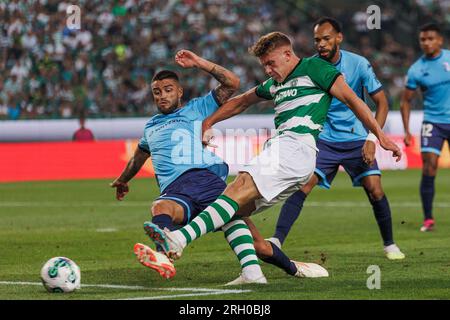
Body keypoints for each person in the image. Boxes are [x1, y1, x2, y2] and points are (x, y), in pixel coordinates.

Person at [142, 32, 402, 268]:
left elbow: (353, 99)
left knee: (236, 187)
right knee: (235, 211)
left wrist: (379, 136)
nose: (267, 70)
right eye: (264, 65)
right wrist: (209, 122)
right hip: (293, 158)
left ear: (288, 54)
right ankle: (274, 271)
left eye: (271, 63)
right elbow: (243, 100)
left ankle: (178, 238)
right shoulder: (276, 83)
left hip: (294, 145)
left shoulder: (315, 68)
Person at [110, 49, 268, 285]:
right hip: (176, 189)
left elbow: (232, 83)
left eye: (168, 90)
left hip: (203, 178)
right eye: (156, 92)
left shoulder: (198, 107)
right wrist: (123, 180)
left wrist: (198, 63)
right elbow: (139, 157)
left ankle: (263, 271)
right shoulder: (150, 127)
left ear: (180, 92)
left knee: (244, 229)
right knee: (162, 207)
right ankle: (165, 257)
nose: (162, 96)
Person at [254, 17, 405, 263]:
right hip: (323, 139)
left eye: (326, 38)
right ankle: (276, 240)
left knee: (375, 189)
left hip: (357, 138)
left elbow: (382, 102)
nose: (321, 44)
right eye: (317, 40)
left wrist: (372, 138)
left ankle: (390, 244)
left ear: (339, 38)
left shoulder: (358, 64)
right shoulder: (309, 66)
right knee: (303, 185)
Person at [400, 23, 450, 232]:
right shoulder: (416, 69)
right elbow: (405, 101)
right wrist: (407, 130)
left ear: (440, 40)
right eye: (423, 39)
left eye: (430, 38)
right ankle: (428, 219)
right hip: (432, 122)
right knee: (429, 167)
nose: (426, 43)